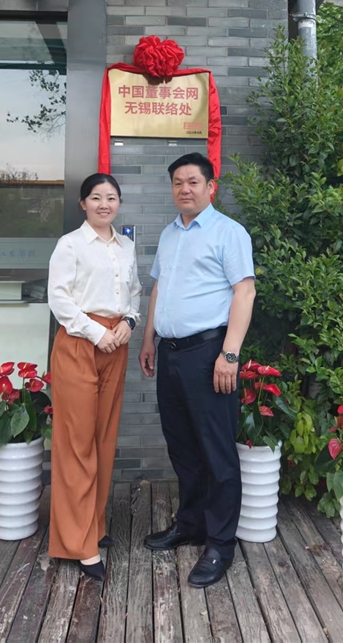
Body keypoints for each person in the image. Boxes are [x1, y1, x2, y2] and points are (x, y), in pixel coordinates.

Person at [138, 152, 255, 588]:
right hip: (170, 354)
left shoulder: (229, 232)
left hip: (210, 355)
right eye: (177, 182)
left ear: (210, 188)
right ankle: (190, 524)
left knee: (217, 453)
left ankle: (220, 543)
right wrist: (148, 339)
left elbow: (245, 292)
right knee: (183, 447)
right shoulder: (170, 234)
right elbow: (159, 289)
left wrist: (230, 354)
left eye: (192, 181)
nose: (184, 189)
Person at [48, 173, 141, 581]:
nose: (105, 204)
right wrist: (96, 332)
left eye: (112, 197)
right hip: (79, 343)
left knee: (103, 438)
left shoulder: (126, 247)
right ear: (83, 203)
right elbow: (59, 299)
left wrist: (130, 323)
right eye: (96, 197)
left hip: (115, 344)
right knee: (77, 442)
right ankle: (77, 542)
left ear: (119, 203)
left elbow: (134, 293)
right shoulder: (70, 245)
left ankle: (94, 525)